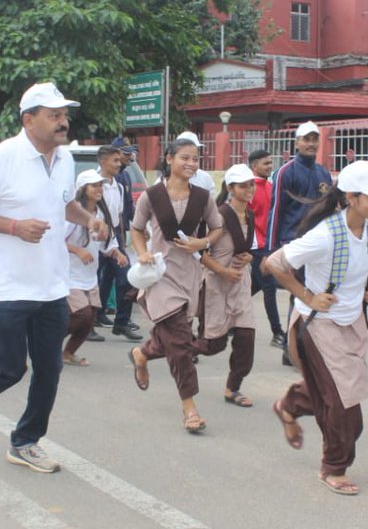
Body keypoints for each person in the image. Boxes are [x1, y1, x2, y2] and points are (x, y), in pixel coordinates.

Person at [0, 82, 108, 473]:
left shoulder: (65, 160)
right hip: (8, 285)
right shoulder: (2, 158)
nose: (63, 122)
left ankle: (25, 441)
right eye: (54, 115)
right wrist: (13, 226)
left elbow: (63, 204)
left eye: (64, 115)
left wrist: (89, 219)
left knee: (49, 368)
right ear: (28, 119)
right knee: (9, 368)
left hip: (52, 284)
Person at [265, 161, 368, 495]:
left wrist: (361, 289)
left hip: (351, 323)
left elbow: (358, 264)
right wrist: (308, 296)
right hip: (319, 326)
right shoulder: (324, 235)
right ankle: (333, 467)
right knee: (344, 405)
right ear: (351, 198)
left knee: (335, 391)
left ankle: (290, 406)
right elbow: (273, 264)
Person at [127, 134, 223, 433]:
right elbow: (136, 229)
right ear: (169, 159)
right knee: (181, 345)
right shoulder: (151, 196)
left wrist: (203, 241)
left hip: (189, 276)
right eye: (185, 157)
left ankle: (142, 353)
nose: (191, 163)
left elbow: (218, 227)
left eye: (195, 159)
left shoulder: (202, 197)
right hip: (160, 277)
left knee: (173, 337)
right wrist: (142, 252)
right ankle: (189, 408)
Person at [266, 121, 333, 363]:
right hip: (293, 243)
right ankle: (291, 348)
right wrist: (272, 250)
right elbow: (276, 212)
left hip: (318, 245)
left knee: (312, 294)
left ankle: (300, 346)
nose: (311, 144)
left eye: (315, 139)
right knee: (299, 296)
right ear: (297, 142)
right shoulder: (286, 172)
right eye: (306, 139)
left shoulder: (323, 173)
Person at [197, 163, 257, 407]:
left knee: (246, 337)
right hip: (216, 284)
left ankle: (233, 388)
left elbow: (245, 247)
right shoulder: (219, 215)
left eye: (251, 185)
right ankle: (167, 348)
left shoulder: (249, 215)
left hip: (240, 284)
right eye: (243, 186)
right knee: (213, 345)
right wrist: (223, 271)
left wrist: (249, 257)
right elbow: (199, 251)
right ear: (230, 188)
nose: (249, 189)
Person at [63, 169, 121, 366]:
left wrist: (116, 252)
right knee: (82, 314)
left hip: (89, 275)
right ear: (82, 188)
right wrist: (77, 251)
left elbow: (106, 242)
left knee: (90, 319)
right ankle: (47, 341)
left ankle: (68, 353)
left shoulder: (101, 213)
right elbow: (54, 241)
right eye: (94, 185)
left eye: (100, 185)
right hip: (69, 274)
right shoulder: (72, 214)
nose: (99, 189)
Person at [95, 143, 140, 340]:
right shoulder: (93, 184)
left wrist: (121, 241)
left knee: (128, 277)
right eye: (114, 160)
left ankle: (121, 321)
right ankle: (89, 321)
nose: (118, 164)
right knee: (94, 282)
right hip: (95, 236)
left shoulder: (119, 187)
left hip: (114, 237)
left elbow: (119, 216)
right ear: (103, 162)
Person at [247, 148, 286, 348]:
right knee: (269, 286)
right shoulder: (248, 189)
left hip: (270, 245)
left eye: (271, 163)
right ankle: (277, 332)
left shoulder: (271, 187)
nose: (270, 167)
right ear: (254, 166)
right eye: (266, 163)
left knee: (255, 286)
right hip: (256, 247)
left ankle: (227, 318)